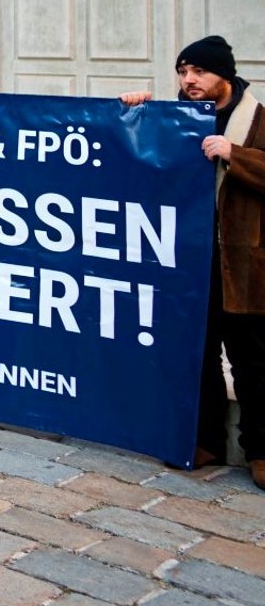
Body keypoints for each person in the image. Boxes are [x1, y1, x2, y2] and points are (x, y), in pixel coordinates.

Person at [120, 35, 265, 489]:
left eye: (200, 71)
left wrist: (235, 154)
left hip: (244, 264)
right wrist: (136, 110)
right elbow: (140, 155)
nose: (189, 80)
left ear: (225, 75)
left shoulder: (258, 120)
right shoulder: (176, 118)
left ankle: (260, 450)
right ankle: (205, 440)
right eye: (183, 72)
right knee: (197, 354)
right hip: (190, 262)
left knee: (252, 361)